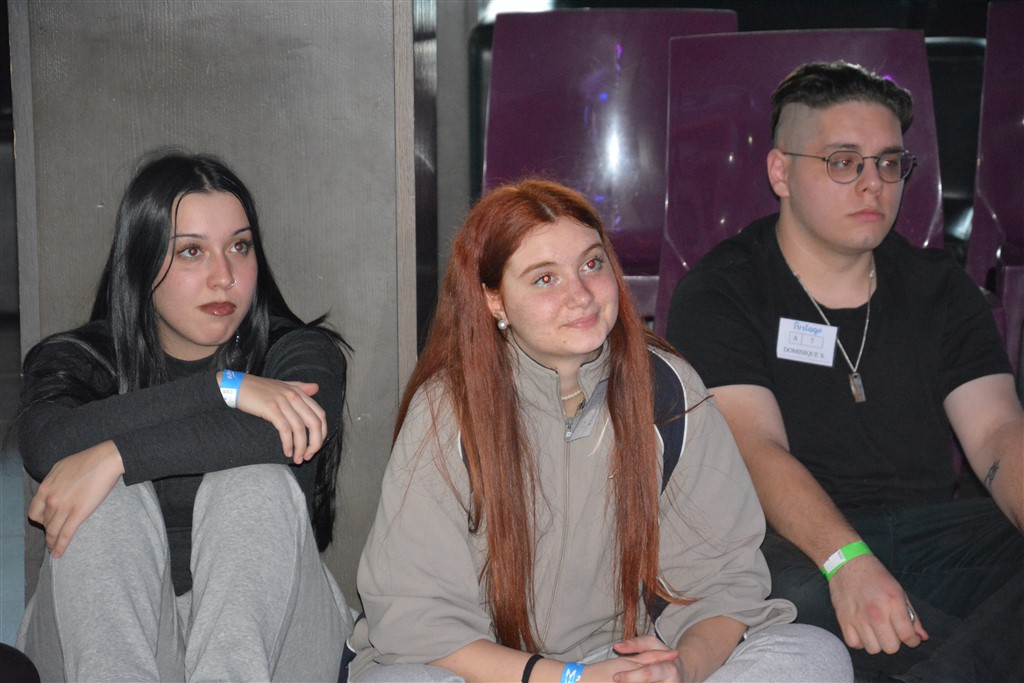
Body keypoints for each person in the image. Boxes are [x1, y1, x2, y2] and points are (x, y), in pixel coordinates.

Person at [347, 179, 851, 682]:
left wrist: (681, 668)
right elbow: (414, 619)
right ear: (493, 300)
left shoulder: (667, 390)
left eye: (592, 264)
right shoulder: (449, 408)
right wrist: (572, 679)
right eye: (545, 279)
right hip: (492, 670)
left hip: (623, 659)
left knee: (813, 655)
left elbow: (722, 582)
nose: (582, 296)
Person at [666, 61, 1024, 682]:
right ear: (780, 172)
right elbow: (754, 447)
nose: (872, 185)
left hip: (929, 534)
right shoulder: (723, 289)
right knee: (779, 598)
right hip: (793, 545)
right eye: (843, 162)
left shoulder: (940, 288)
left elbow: (997, 433)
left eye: (889, 163)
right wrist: (847, 561)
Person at [15, 150, 355, 681]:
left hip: (270, 645)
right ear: (141, 262)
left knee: (253, 483)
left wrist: (115, 455)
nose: (224, 277)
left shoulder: (297, 352)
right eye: (191, 251)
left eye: (239, 246)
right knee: (105, 502)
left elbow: (288, 431)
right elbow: (47, 445)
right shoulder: (79, 359)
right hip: (105, 643)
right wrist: (223, 389)